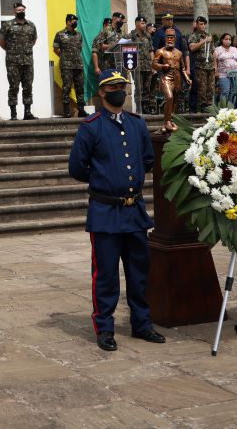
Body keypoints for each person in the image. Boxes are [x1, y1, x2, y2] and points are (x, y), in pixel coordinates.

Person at [67, 70, 167, 351]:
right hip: (105, 211)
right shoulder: (91, 126)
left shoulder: (136, 124)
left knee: (139, 272)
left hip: (134, 211)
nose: (119, 91)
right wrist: (104, 180)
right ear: (102, 93)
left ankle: (142, 324)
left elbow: (147, 160)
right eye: (113, 88)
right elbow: (76, 167)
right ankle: (105, 328)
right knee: (106, 275)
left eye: (122, 86)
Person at [0, 1, 37, 120]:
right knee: (14, 87)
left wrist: (25, 50)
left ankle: (27, 112)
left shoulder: (31, 25)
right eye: (19, 10)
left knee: (28, 86)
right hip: (13, 62)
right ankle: (13, 114)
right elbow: (0, 41)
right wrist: (11, 51)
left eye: (23, 10)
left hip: (28, 61)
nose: (21, 12)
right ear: (14, 11)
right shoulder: (7, 25)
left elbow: (34, 40)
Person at [151, 28, 189, 132]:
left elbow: (183, 68)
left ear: (175, 39)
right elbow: (154, 64)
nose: (170, 39)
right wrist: (163, 66)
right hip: (166, 77)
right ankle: (167, 121)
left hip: (177, 78)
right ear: (164, 38)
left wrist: (187, 78)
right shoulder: (160, 51)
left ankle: (170, 120)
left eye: (172, 37)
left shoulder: (179, 53)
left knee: (175, 101)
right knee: (169, 97)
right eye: (168, 37)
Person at [53, 14, 86, 118]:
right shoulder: (60, 34)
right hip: (67, 66)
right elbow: (56, 49)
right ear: (68, 22)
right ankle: (67, 112)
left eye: (76, 21)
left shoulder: (79, 35)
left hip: (78, 65)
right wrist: (64, 57)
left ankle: (81, 110)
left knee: (80, 88)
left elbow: (79, 49)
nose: (75, 23)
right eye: (73, 21)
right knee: (66, 88)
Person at [128, 16, 155, 115]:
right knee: (139, 88)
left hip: (147, 66)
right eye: (142, 23)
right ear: (136, 23)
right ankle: (139, 108)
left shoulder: (147, 36)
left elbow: (151, 50)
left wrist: (153, 64)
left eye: (145, 23)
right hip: (136, 66)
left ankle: (146, 107)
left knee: (147, 88)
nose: (144, 25)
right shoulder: (130, 36)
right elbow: (126, 50)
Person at [188, 16, 214, 112]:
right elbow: (192, 48)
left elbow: (212, 52)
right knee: (201, 89)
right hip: (200, 67)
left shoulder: (209, 35)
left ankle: (209, 108)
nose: (203, 26)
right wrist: (203, 41)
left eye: (204, 24)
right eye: (201, 24)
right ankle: (201, 110)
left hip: (210, 66)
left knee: (210, 89)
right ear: (197, 25)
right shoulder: (193, 36)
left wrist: (215, 66)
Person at [214, 33, 237, 105]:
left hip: (235, 74)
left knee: (233, 92)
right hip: (223, 74)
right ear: (222, 40)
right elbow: (215, 61)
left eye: (229, 39)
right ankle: (223, 108)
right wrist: (216, 71)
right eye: (226, 39)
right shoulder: (217, 49)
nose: (228, 41)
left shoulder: (234, 49)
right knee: (225, 91)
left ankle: (231, 108)